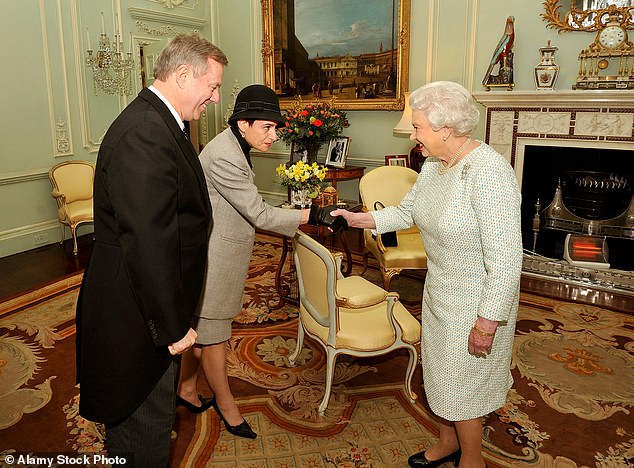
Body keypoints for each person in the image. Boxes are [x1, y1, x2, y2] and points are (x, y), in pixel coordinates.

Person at [332, 81, 522, 468]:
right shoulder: (436, 166)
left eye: (418, 127)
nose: (413, 135)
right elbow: (405, 213)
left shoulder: (488, 173)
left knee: (465, 386)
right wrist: (356, 218)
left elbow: (506, 258)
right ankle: (448, 443)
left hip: (477, 302)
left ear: (446, 129)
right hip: (441, 292)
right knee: (443, 377)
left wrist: (488, 322)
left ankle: (473, 459)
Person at [75, 34, 228, 466]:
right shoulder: (145, 132)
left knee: (151, 427)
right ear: (183, 75)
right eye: (212, 86)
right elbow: (148, 243)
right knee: (143, 434)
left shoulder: (160, 122)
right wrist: (174, 327)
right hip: (137, 319)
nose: (214, 99)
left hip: (145, 310)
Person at [176, 84, 345, 438]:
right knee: (214, 336)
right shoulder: (224, 155)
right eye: (267, 127)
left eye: (275, 127)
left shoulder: (232, 144)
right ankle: (227, 407)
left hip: (216, 249)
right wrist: (313, 213)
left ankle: (186, 390)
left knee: (201, 327)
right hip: (215, 257)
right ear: (243, 124)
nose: (274, 134)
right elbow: (259, 214)